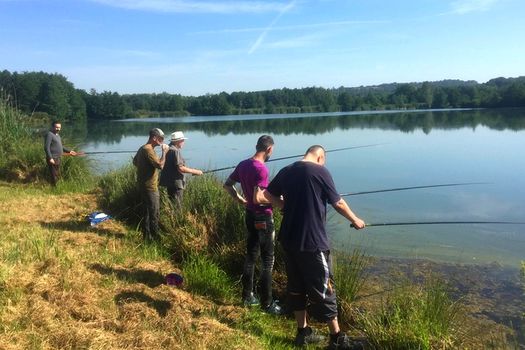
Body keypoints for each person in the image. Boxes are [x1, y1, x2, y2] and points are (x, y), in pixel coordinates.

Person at [255, 145, 366, 349]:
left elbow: (266, 195)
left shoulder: (287, 171)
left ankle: (303, 333)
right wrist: (355, 219)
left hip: (288, 241)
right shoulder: (320, 171)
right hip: (313, 243)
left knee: (296, 287)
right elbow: (338, 203)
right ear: (320, 157)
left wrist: (284, 206)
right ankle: (337, 338)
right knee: (324, 288)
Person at [223, 135, 281, 315]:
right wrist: (280, 201)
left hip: (249, 214)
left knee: (250, 256)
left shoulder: (243, 164)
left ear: (257, 146)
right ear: (269, 149)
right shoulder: (261, 169)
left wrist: (240, 199)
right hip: (262, 218)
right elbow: (258, 198)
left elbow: (228, 185)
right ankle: (268, 303)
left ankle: (247, 296)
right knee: (267, 261)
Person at [133, 128, 169, 242]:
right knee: (154, 212)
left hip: (143, 185)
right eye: (161, 139)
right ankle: (155, 238)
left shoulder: (143, 148)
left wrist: (145, 167)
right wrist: (164, 152)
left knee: (147, 212)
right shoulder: (148, 150)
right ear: (154, 138)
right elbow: (160, 165)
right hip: (150, 187)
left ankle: (146, 236)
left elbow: (135, 162)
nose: (163, 141)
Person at [159, 131, 203, 206]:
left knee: (172, 205)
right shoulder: (175, 151)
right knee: (177, 206)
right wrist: (196, 171)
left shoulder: (168, 148)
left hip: (169, 183)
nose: (184, 142)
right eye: (183, 140)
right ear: (177, 141)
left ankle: (173, 217)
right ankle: (178, 218)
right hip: (176, 184)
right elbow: (180, 168)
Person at [43, 120, 77, 186]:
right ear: (52, 127)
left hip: (58, 158)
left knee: (57, 173)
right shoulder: (49, 134)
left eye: (59, 127)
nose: (58, 129)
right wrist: (50, 158)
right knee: (54, 174)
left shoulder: (57, 135)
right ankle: (54, 189)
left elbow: (61, 146)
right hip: (53, 158)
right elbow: (46, 147)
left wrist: (70, 151)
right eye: (56, 127)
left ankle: (55, 187)